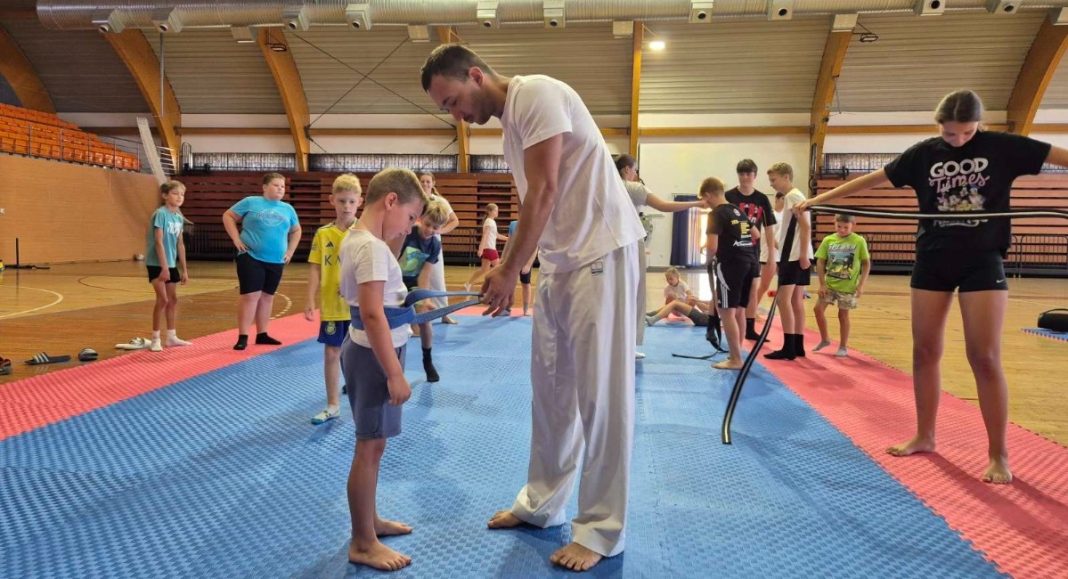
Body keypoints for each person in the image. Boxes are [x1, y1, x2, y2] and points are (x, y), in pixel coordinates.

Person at [423, 44, 644, 571]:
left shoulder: (538, 94)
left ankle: (600, 529)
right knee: (550, 390)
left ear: (476, 75)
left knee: (600, 397)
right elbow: (543, 203)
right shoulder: (509, 126)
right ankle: (542, 503)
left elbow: (543, 192)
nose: (456, 115)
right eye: (446, 109)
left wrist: (508, 271)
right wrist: (527, 267)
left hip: (600, 253)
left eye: (453, 101)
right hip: (561, 263)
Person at [797, 89, 1068, 484]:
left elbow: (1060, 156)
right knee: (924, 351)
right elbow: (872, 180)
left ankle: (999, 454)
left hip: (982, 260)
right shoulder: (924, 153)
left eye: (965, 133)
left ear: (979, 123)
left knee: (984, 357)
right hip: (932, 260)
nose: (956, 140)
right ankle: (925, 435)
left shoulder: (1004, 147)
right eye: (949, 133)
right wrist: (818, 199)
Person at [337, 167, 427, 571]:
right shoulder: (370, 247)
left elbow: (381, 301)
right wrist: (394, 372)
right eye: (410, 216)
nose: (409, 226)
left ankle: (369, 523)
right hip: (376, 356)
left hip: (373, 350)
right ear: (390, 201)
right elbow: (372, 314)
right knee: (368, 448)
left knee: (375, 444)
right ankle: (362, 541)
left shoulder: (364, 240)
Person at [614, 154, 705, 358]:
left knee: (613, 296)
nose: (636, 173)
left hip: (608, 244)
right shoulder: (633, 188)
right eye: (634, 169)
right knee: (633, 296)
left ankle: (612, 345)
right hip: (628, 243)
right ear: (627, 169)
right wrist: (697, 204)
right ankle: (627, 347)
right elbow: (664, 206)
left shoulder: (606, 185)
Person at [305, 173, 362, 425]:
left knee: (360, 354)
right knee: (332, 352)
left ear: (359, 201)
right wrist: (310, 299)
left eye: (351, 201)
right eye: (341, 201)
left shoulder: (365, 233)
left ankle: (363, 398)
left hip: (359, 306)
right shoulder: (323, 234)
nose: (346, 206)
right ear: (332, 201)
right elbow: (315, 268)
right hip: (332, 305)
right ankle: (332, 405)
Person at [222, 173, 301, 351]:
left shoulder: (288, 209)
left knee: (267, 297)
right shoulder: (251, 202)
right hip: (250, 256)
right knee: (250, 296)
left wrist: (290, 251)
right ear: (264, 187)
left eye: (282, 186)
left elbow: (296, 231)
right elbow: (228, 216)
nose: (280, 188)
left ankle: (262, 334)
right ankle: (243, 335)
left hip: (276, 260)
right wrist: (236, 238)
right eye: (276, 185)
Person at [700, 177, 759, 370]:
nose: (707, 205)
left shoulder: (716, 214)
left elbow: (712, 246)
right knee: (739, 311)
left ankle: (735, 358)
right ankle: (737, 351)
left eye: (706, 200)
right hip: (749, 262)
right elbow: (755, 235)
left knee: (726, 312)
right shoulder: (738, 210)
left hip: (731, 266)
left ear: (709, 195)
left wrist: (708, 260)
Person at [399, 199, 451, 382]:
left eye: (435, 228)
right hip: (395, 279)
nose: (430, 230)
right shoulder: (408, 233)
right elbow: (392, 258)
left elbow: (425, 274)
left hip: (413, 282)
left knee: (425, 320)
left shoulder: (435, 245)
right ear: (421, 218)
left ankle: (427, 360)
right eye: (428, 224)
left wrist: (424, 297)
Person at [726, 159, 778, 341]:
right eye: (742, 173)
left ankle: (749, 328)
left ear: (755, 176)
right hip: (732, 252)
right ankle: (729, 327)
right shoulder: (729, 197)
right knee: (733, 291)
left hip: (752, 252)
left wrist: (771, 254)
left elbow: (769, 226)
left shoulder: (762, 199)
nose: (745, 177)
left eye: (748, 174)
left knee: (753, 290)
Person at [763, 162, 811, 361]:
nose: (772, 184)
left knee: (784, 300)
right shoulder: (797, 196)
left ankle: (789, 346)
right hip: (796, 253)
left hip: (793, 256)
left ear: (785, 177)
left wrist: (801, 254)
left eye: (774, 180)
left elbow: (806, 226)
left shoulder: (793, 196)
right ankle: (798, 345)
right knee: (795, 301)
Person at [812, 214, 870, 358]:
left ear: (853, 225)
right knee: (818, 309)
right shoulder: (828, 240)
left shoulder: (859, 241)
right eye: (839, 226)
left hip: (848, 286)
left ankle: (843, 346)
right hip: (830, 284)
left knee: (843, 315)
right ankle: (825, 339)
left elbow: (866, 263)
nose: (842, 230)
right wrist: (822, 284)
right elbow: (820, 261)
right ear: (834, 223)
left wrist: (861, 284)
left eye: (846, 227)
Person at [144, 180, 192, 352]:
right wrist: (164, 267)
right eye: (175, 193)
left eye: (182, 194)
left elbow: (180, 244)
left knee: (173, 300)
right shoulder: (160, 214)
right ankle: (155, 337)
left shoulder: (178, 218)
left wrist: (184, 270)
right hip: (156, 263)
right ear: (165, 195)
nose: (179, 197)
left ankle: (171, 336)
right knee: (162, 299)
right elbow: (158, 241)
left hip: (171, 263)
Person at [418, 172, 462, 324]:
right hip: (415, 244)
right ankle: (416, 315)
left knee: (437, 279)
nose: (425, 184)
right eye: (422, 181)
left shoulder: (440, 201)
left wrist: (440, 231)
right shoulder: (413, 200)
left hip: (433, 244)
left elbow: (454, 221)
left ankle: (444, 313)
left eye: (428, 181)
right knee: (414, 279)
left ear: (433, 183)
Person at [463, 203, 508, 291]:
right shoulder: (489, 222)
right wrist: (481, 249)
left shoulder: (492, 221)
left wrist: (508, 238)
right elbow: (485, 236)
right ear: (490, 212)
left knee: (484, 269)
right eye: (496, 210)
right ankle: (493, 286)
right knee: (498, 268)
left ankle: (468, 283)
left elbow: (497, 235)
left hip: (488, 249)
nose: (497, 212)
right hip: (490, 249)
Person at [501, 218, 537, 316]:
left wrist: (528, 265)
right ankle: (507, 307)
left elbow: (535, 246)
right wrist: (503, 257)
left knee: (525, 284)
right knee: (509, 284)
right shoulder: (513, 224)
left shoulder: (532, 224)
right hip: (513, 258)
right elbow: (509, 242)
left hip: (525, 259)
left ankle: (525, 310)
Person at [645, 298, 713, 327]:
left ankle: (653, 319)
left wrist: (697, 302)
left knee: (675, 303)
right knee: (674, 304)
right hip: (704, 318)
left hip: (706, 319)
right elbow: (710, 304)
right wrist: (698, 300)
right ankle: (651, 315)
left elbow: (708, 308)